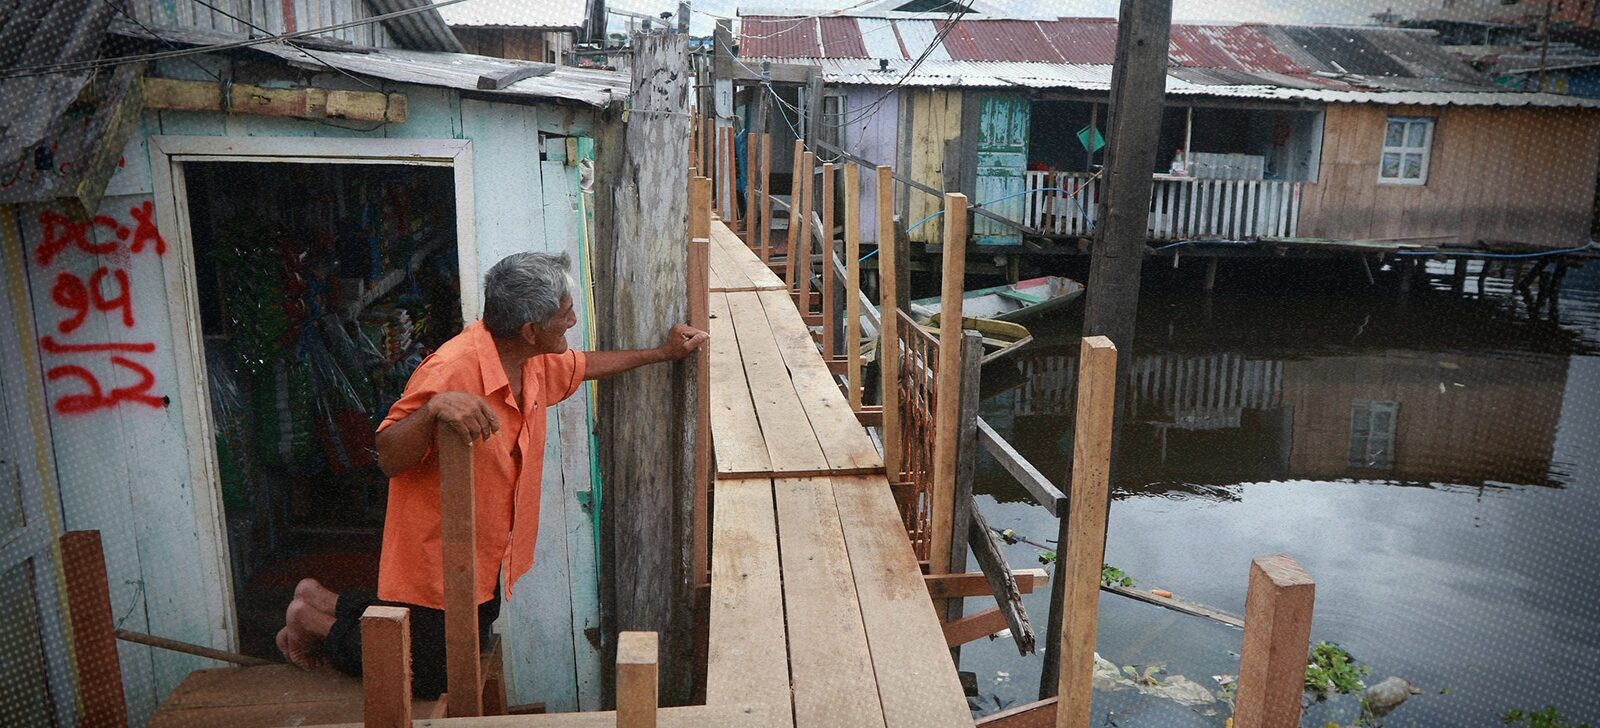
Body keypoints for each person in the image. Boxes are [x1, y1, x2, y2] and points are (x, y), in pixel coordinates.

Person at [275, 251, 708, 697]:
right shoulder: (451, 369)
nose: (573, 321)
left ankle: (319, 598)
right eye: (565, 314)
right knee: (427, 674)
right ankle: (309, 621)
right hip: (438, 552)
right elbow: (387, 456)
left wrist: (663, 353)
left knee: (463, 642)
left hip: (487, 552)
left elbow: (582, 365)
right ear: (530, 330)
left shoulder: (530, 358)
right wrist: (433, 410)